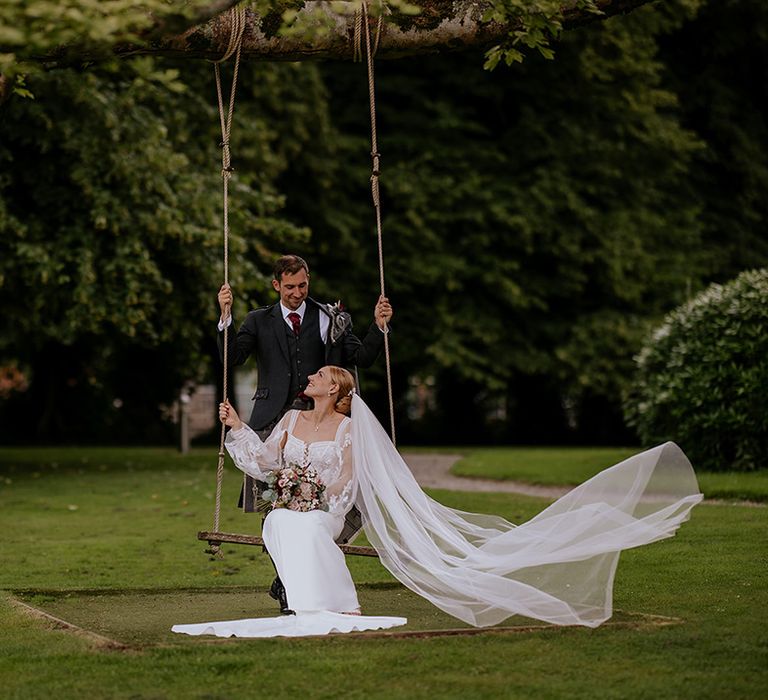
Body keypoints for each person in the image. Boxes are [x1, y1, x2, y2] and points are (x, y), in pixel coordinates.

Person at [172, 365, 703, 639]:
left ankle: (319, 604)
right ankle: (311, 600)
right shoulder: (288, 421)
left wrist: (315, 499)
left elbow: (349, 488)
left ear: (335, 390)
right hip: (289, 506)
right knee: (280, 524)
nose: (309, 378)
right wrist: (239, 429)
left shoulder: (349, 429)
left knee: (306, 528)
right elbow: (264, 463)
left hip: (326, 512)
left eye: (319, 377)